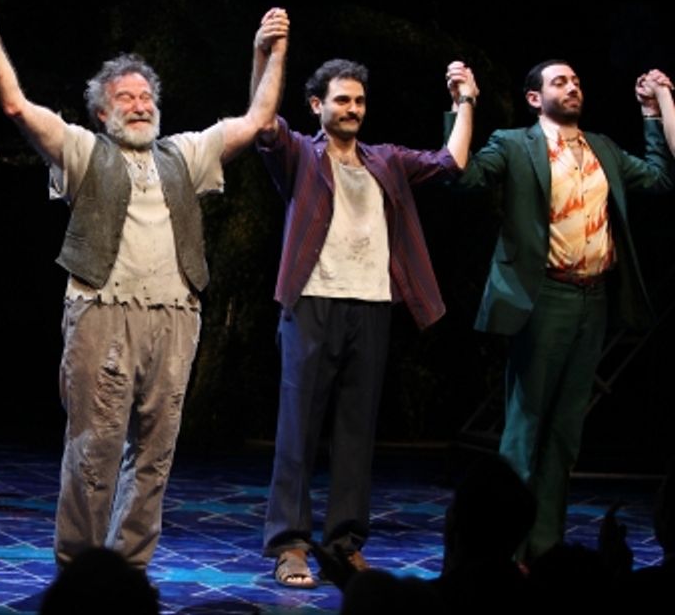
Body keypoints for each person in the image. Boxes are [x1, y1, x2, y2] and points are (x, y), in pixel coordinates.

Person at [0, 2, 290, 570]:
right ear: (101, 112)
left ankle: (129, 571)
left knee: (156, 456)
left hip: (175, 315)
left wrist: (269, 52)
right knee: (94, 449)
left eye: (147, 98)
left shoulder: (184, 154)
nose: (141, 106)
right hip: (102, 313)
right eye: (126, 98)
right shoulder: (83, 151)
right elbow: (16, 105)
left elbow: (257, 120)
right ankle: (80, 569)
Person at [256, 46, 475, 588]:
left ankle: (344, 543)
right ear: (317, 105)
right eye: (341, 100)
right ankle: (290, 545)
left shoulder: (387, 161)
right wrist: (268, 55)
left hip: (371, 306)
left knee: (357, 433)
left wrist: (464, 102)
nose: (352, 108)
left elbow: (452, 162)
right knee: (298, 431)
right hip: (312, 303)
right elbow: (261, 122)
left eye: (359, 101)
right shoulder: (301, 156)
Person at [456, 61, 675, 561]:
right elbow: (464, 177)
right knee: (525, 428)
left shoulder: (603, 148)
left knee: (564, 435)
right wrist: (462, 103)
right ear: (535, 98)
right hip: (544, 298)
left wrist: (649, 113)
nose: (572, 86)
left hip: (592, 300)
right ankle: (503, 551)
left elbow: (660, 179)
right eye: (560, 81)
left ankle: (545, 545)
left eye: (577, 80)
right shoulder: (514, 144)